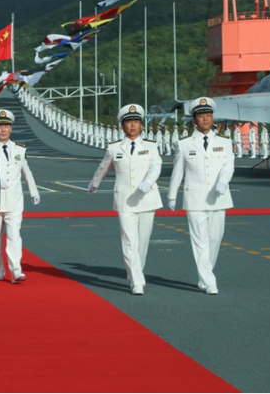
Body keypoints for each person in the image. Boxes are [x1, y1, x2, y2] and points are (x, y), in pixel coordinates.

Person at [89, 104, 163, 295]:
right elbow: (103, 167)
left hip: (147, 199)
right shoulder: (115, 148)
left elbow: (156, 167)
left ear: (141, 125)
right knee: (129, 241)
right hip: (124, 200)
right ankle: (137, 281)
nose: (133, 125)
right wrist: (94, 183)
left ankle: (134, 272)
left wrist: (148, 182)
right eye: (129, 122)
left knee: (143, 243)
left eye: (136, 121)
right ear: (122, 125)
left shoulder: (151, 145)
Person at [168, 97, 234, 295]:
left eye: (208, 115)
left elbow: (228, 166)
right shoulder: (185, 144)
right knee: (200, 241)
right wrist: (172, 195)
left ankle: (204, 275)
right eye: (201, 115)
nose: (205, 119)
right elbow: (177, 172)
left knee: (215, 239)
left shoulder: (225, 142)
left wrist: (223, 181)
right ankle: (210, 281)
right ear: (194, 120)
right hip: (194, 198)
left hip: (218, 197)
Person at [0, 110, 39, 284]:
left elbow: (26, 172)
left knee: (14, 236)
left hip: (15, 201)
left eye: (6, 126)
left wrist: (34, 191)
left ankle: (16, 270)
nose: (3, 129)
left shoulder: (20, 149)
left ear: (11, 128)